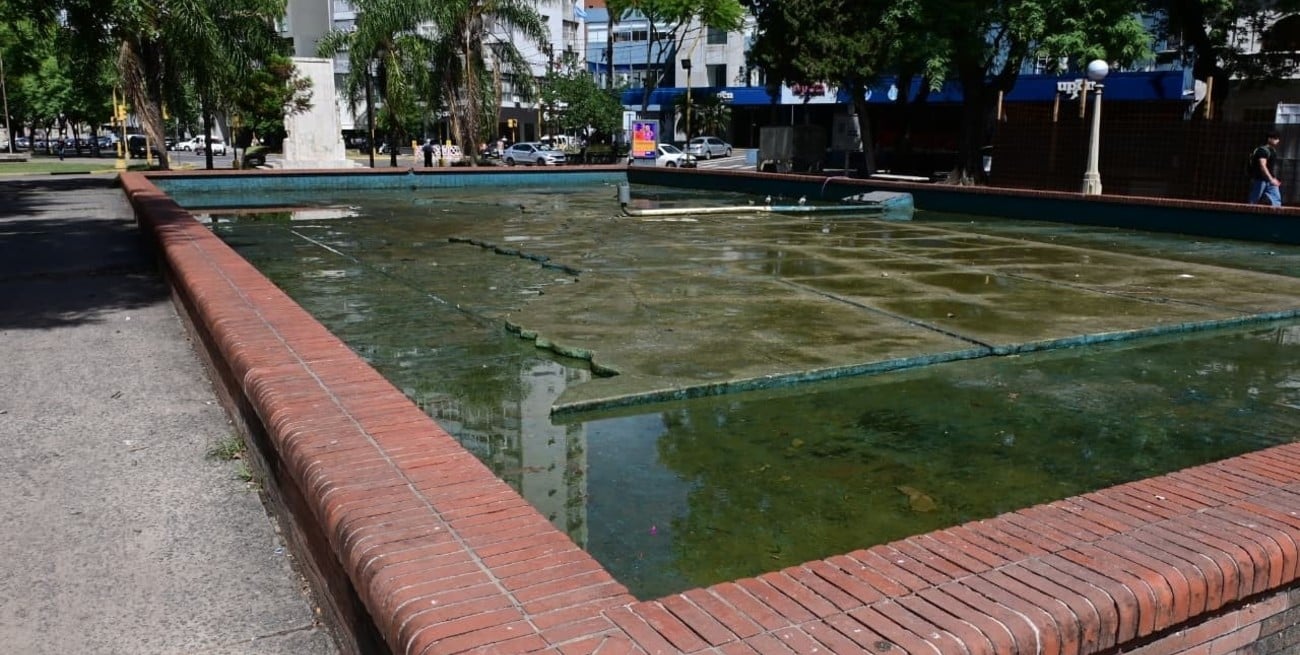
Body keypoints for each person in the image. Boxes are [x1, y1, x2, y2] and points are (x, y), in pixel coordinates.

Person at [1247, 130, 1282, 206]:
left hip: (1269, 180)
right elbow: (1263, 166)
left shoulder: (1272, 151)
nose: (1278, 140)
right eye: (1276, 138)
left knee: (1276, 200)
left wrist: (1273, 178)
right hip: (1259, 179)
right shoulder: (1262, 150)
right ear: (1269, 139)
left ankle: (1276, 212)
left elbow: (1269, 167)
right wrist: (1271, 179)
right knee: (1254, 200)